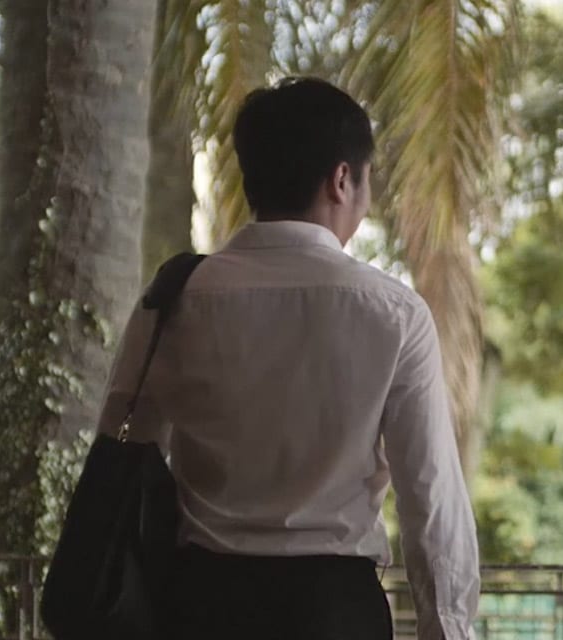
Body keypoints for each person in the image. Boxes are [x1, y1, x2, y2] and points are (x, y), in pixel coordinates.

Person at [96, 77, 480, 640]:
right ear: (342, 179)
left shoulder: (176, 298)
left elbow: (125, 448)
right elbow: (430, 495)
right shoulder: (394, 313)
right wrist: (447, 629)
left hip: (199, 605)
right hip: (332, 610)